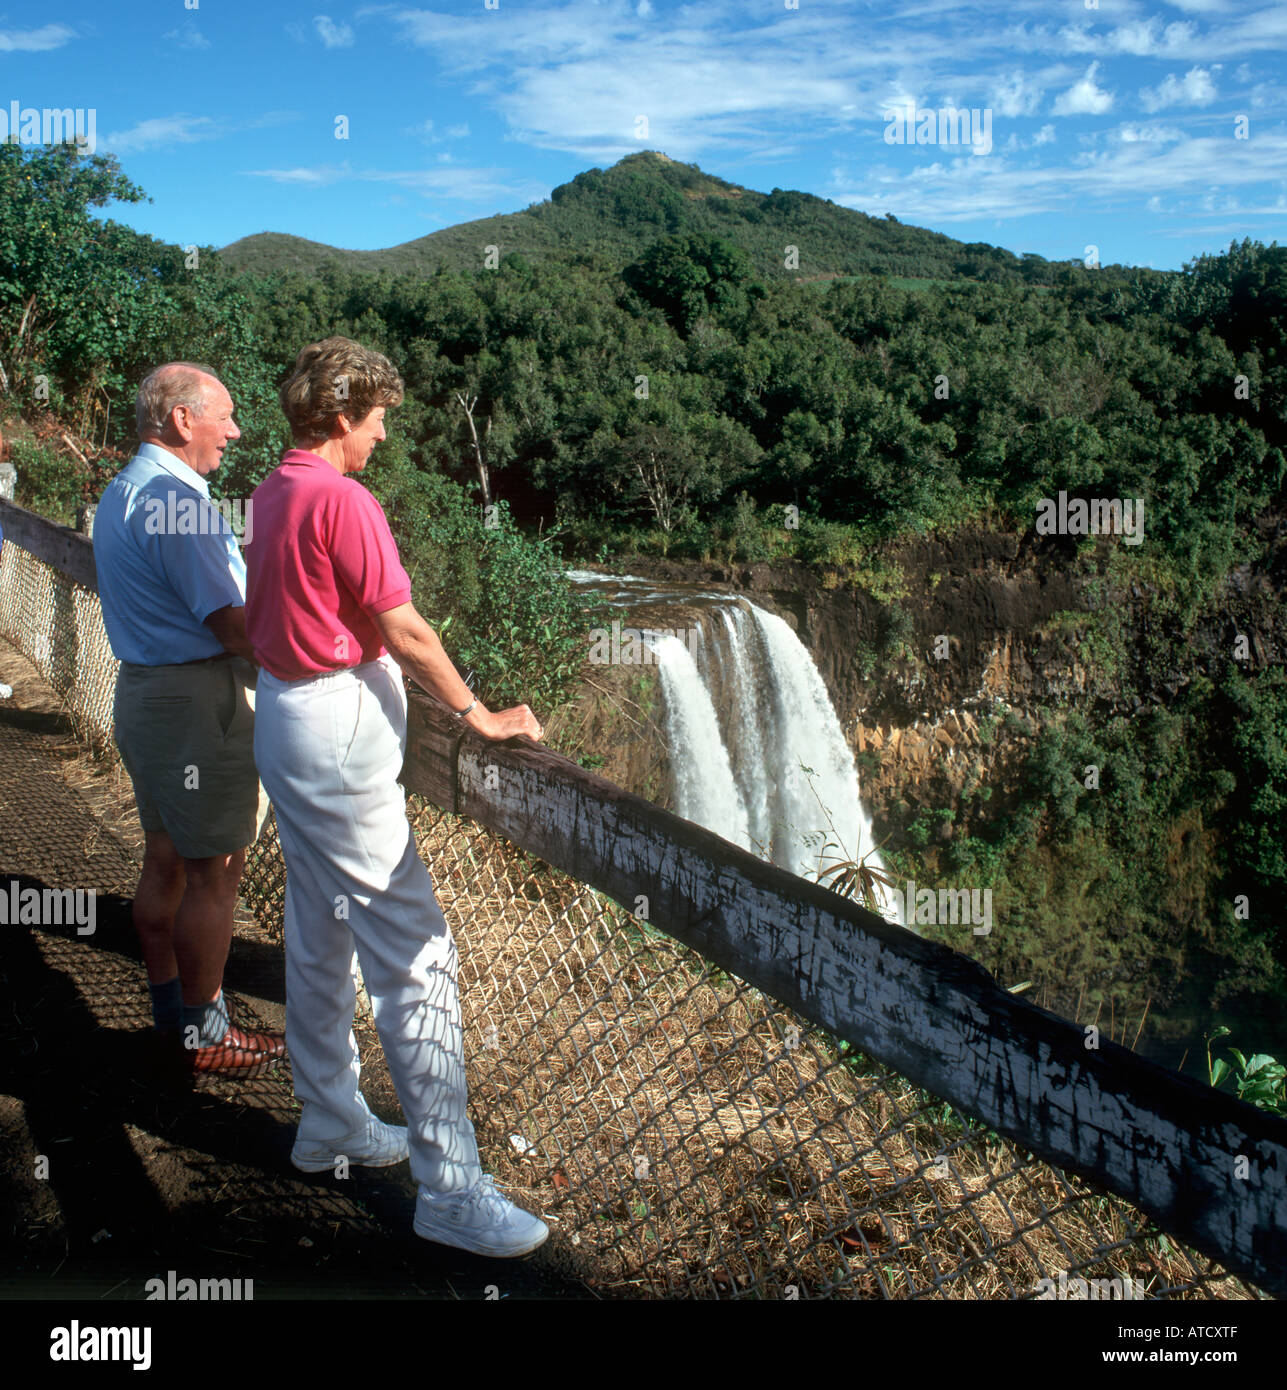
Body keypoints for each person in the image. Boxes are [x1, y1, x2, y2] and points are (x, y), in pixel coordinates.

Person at [244, 336, 548, 1257]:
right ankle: (450, 1188)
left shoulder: (270, 488)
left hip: (289, 721)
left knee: (320, 930)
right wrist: (479, 714)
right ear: (343, 414)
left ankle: (329, 1121)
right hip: (335, 736)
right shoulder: (342, 496)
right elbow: (405, 630)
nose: (382, 437)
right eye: (378, 420)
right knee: (414, 952)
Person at [93, 363, 286, 1075]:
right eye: (225, 416)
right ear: (182, 419)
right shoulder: (180, 503)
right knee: (215, 874)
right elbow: (233, 626)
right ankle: (206, 1037)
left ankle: (172, 1013)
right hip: (200, 705)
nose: (235, 432)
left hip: (147, 694)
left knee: (167, 860)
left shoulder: (123, 491)